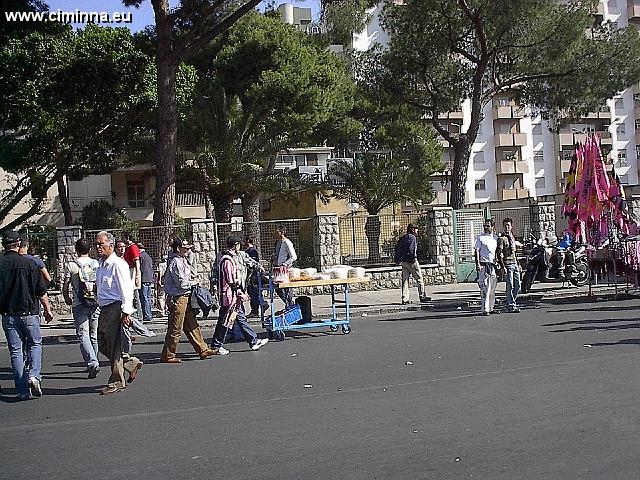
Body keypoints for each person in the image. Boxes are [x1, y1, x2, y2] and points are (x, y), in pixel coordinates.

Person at [0, 231, 54, 400]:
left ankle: (22, 391)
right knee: (35, 344)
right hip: (29, 312)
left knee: (16, 352)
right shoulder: (30, 264)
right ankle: (34, 375)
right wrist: (47, 308)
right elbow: (41, 290)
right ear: (18, 244)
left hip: (8, 314)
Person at [95, 231, 143, 395]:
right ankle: (130, 363)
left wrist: (126, 312)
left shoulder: (118, 264)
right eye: (96, 244)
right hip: (104, 308)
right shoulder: (101, 265)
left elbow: (126, 290)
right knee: (102, 342)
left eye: (101, 244)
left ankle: (116, 381)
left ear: (110, 245)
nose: (98, 247)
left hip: (115, 308)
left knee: (114, 345)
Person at [210, 236, 269, 355]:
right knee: (224, 320)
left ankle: (253, 341)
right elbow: (230, 279)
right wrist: (239, 292)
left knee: (239, 318)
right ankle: (216, 346)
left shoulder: (228, 257)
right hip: (229, 296)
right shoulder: (227, 260)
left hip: (232, 295)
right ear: (236, 245)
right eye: (238, 245)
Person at [160, 238, 216, 363]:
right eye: (186, 248)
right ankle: (168, 355)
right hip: (178, 298)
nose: (188, 250)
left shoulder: (182, 260)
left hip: (184, 297)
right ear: (178, 249)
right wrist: (194, 282)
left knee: (191, 324)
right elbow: (182, 284)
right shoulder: (176, 262)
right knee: (175, 328)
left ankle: (202, 349)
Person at [62, 238, 101, 378]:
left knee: (83, 335)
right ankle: (94, 360)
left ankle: (92, 362)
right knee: (93, 334)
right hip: (95, 302)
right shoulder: (95, 263)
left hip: (79, 303)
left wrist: (66, 297)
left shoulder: (72, 265)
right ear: (89, 250)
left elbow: (66, 284)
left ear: (76, 250)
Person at [394, 223, 429, 305]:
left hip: (404, 262)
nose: (417, 231)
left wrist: (399, 260)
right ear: (413, 229)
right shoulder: (412, 238)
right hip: (411, 261)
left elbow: (397, 248)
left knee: (405, 280)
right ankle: (422, 296)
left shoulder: (403, 237)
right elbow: (411, 249)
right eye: (416, 229)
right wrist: (413, 259)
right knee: (419, 278)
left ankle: (404, 299)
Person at [474, 219, 499, 316]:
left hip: (492, 265)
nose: (486, 227)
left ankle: (491, 307)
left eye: (488, 226)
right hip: (484, 265)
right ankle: (485, 308)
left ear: (492, 227)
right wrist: (478, 264)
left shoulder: (495, 238)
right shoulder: (480, 238)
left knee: (492, 288)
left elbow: (497, 252)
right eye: (485, 225)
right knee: (485, 287)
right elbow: (477, 251)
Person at [497, 218, 521, 313]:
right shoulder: (502, 239)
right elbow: (499, 253)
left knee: (517, 285)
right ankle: (511, 305)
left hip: (514, 263)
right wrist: (502, 267)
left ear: (511, 226)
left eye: (508, 225)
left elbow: (515, 253)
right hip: (507, 264)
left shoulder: (512, 237)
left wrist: (518, 264)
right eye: (505, 225)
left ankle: (511, 301)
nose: (507, 227)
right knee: (510, 285)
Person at [271, 225, 297, 307]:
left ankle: (290, 304)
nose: (275, 233)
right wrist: (274, 257)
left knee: (287, 289)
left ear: (282, 232)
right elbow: (278, 253)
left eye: (277, 231)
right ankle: (287, 303)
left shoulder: (287, 242)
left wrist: (284, 264)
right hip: (278, 270)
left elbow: (293, 257)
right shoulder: (277, 242)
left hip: (285, 270)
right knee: (278, 288)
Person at [122, 231, 143, 322]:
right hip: (130, 271)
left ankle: (139, 316)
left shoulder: (133, 247)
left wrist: (137, 276)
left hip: (133, 271)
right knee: (132, 294)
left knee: (134, 294)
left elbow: (137, 262)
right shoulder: (129, 248)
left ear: (127, 238)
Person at [244, 237, 267, 317]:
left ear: (247, 241)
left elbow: (252, 264)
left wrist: (249, 276)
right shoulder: (251, 251)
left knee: (253, 293)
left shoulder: (251, 251)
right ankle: (256, 309)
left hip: (253, 276)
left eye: (244, 241)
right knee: (254, 292)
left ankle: (259, 306)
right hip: (253, 275)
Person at [137, 243, 154, 322]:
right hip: (149, 279)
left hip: (143, 279)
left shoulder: (140, 257)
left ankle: (147, 314)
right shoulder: (148, 256)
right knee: (148, 297)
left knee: (144, 298)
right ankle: (149, 313)